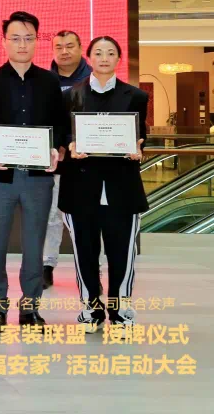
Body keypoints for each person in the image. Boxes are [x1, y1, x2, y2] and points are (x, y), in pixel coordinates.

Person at [0, 11, 69, 330]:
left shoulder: (50, 81)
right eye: (15, 38)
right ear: (4, 42)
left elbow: (60, 124)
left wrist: (57, 148)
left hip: (37, 177)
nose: (22, 44)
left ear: (37, 41)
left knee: (34, 245)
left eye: (28, 38)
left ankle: (30, 306)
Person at [63, 36, 148, 329]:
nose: (104, 58)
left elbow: (142, 135)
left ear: (118, 59)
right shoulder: (71, 95)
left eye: (110, 53)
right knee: (85, 253)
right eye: (98, 53)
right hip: (80, 187)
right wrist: (71, 145)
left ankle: (120, 310)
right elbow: (64, 133)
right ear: (89, 57)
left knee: (121, 253)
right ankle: (91, 310)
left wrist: (139, 148)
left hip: (121, 187)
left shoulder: (135, 96)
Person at [43, 30, 92, 289]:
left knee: (87, 218)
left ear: (81, 48)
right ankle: (46, 266)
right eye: (59, 47)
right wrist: (56, 145)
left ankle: (89, 270)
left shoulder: (94, 79)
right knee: (52, 216)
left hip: (88, 162)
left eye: (70, 46)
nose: (64, 51)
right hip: (56, 160)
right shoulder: (44, 81)